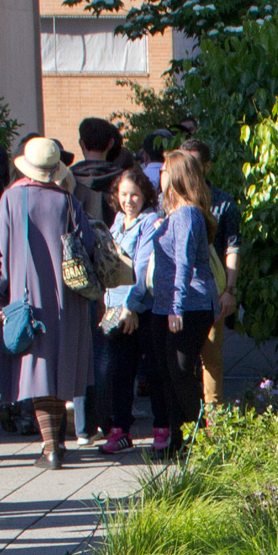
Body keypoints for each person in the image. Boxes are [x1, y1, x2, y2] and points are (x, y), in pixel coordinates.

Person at [0, 136, 96, 470]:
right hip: (68, 298)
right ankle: (57, 445)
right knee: (59, 369)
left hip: (28, 299)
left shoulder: (11, 199)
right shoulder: (69, 201)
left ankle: (51, 447)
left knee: (37, 370)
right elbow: (88, 245)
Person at [147, 150, 222, 453]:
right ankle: (178, 442)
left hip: (189, 305)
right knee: (167, 373)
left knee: (181, 372)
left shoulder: (188, 214)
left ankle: (203, 442)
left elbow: (185, 263)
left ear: (177, 176)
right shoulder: (172, 214)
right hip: (166, 305)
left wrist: (176, 306)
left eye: (164, 170)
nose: (160, 175)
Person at [96, 166, 164, 456]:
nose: (128, 200)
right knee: (119, 372)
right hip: (116, 308)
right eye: (123, 194)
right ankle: (120, 430)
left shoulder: (150, 222)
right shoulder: (117, 222)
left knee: (153, 371)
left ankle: (162, 429)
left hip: (142, 309)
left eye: (134, 194)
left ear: (145, 194)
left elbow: (143, 265)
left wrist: (131, 307)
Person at [188, 140, 243, 413]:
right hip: (182, 292)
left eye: (193, 164)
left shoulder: (223, 203)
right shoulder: (170, 201)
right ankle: (187, 417)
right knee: (183, 361)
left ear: (206, 166)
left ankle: (215, 421)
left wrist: (229, 291)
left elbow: (233, 247)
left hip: (214, 290)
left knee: (211, 357)